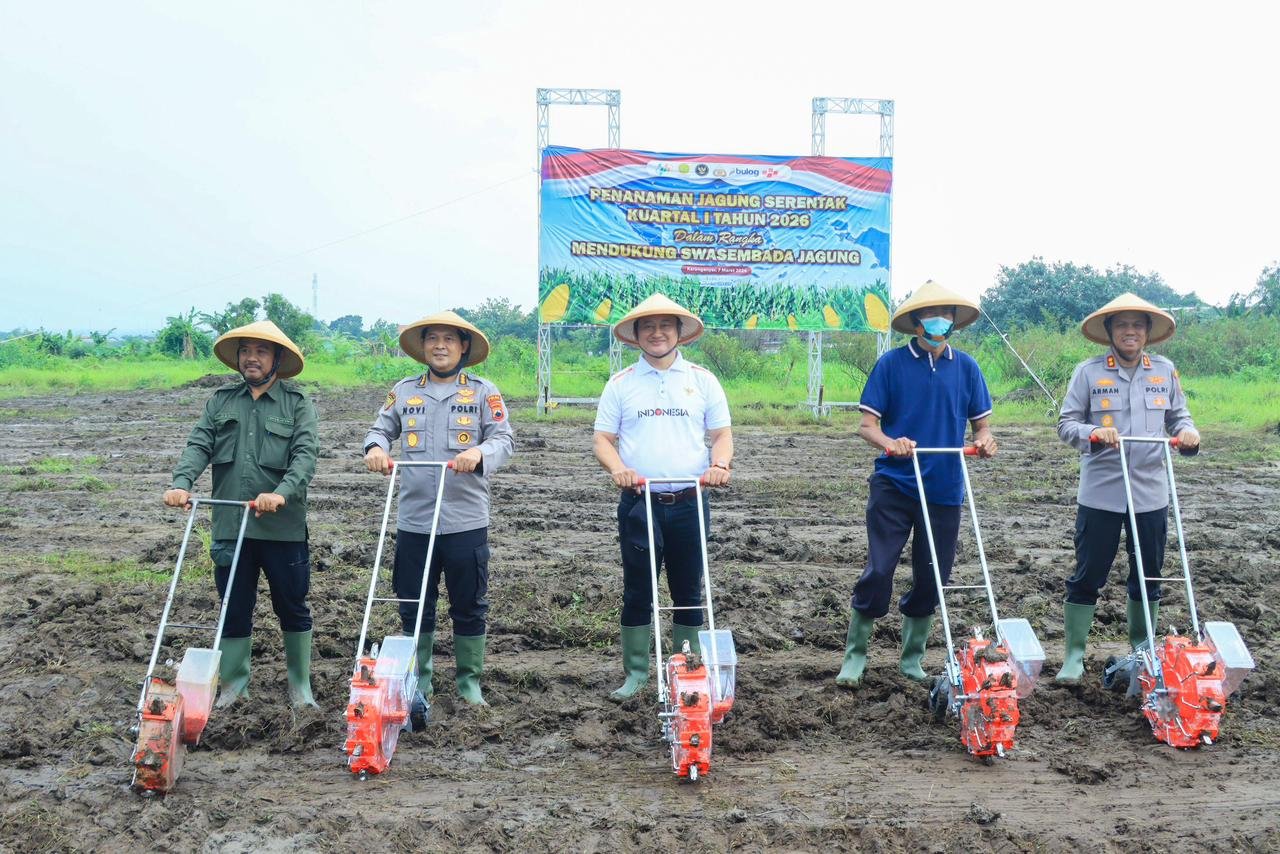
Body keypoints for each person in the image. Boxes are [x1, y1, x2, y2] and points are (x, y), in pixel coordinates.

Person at [836, 281, 997, 687]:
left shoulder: (967, 368)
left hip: (944, 487)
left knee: (933, 575)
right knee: (880, 569)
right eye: (929, 314)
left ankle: (912, 659)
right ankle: (855, 656)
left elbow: (982, 426)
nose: (938, 321)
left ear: (955, 323)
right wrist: (893, 443)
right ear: (916, 322)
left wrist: (983, 441)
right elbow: (867, 426)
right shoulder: (891, 365)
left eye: (945, 315)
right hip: (896, 484)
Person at [164, 320, 320, 708]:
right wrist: (182, 482)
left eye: (261, 351)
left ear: (277, 359)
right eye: (246, 351)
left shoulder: (297, 405)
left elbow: (304, 458)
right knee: (233, 606)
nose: (252, 357)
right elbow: (199, 444)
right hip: (231, 524)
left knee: (292, 604)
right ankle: (234, 686)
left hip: (281, 528)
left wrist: (281, 494)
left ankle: (300, 688)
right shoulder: (220, 401)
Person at [363, 310, 513, 706]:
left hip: (466, 519)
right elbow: (380, 429)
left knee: (469, 603)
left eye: (449, 339)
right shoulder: (405, 391)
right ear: (423, 347)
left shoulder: (483, 392)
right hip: (415, 520)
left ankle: (469, 682)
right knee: (415, 603)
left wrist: (479, 452)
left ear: (464, 347)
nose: (440, 346)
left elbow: (503, 439)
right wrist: (376, 448)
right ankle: (421, 680)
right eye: (433, 338)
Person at [592, 293, 733, 702]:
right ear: (636, 336)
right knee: (638, 589)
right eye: (648, 327)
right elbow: (602, 439)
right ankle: (636, 674)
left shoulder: (702, 380)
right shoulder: (621, 384)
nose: (657, 333)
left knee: (689, 589)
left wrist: (719, 465)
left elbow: (721, 434)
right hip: (640, 501)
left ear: (678, 334)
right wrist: (617, 467)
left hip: (690, 500)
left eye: (665, 326)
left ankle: (685, 669)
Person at [1054, 293, 1200, 682]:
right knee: (1088, 574)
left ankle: (1142, 650)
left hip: (1150, 493)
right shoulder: (1088, 373)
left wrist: (1187, 432)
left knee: (1148, 574)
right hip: (1101, 492)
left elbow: (1179, 418)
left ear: (1148, 333)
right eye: (1122, 325)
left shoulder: (1165, 372)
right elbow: (1066, 424)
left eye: (1138, 325)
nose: (1130, 331)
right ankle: (1074, 655)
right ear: (1110, 332)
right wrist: (1093, 432)